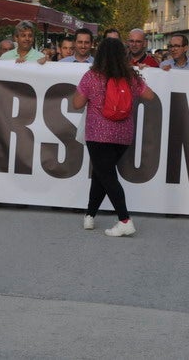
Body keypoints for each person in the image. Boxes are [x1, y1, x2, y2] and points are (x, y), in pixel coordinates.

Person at [72, 38, 155, 237]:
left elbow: (77, 104)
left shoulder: (92, 76)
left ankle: (124, 219)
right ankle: (89, 216)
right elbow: (150, 96)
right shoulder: (130, 76)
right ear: (122, 54)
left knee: (106, 176)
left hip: (98, 134)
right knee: (102, 174)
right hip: (123, 134)